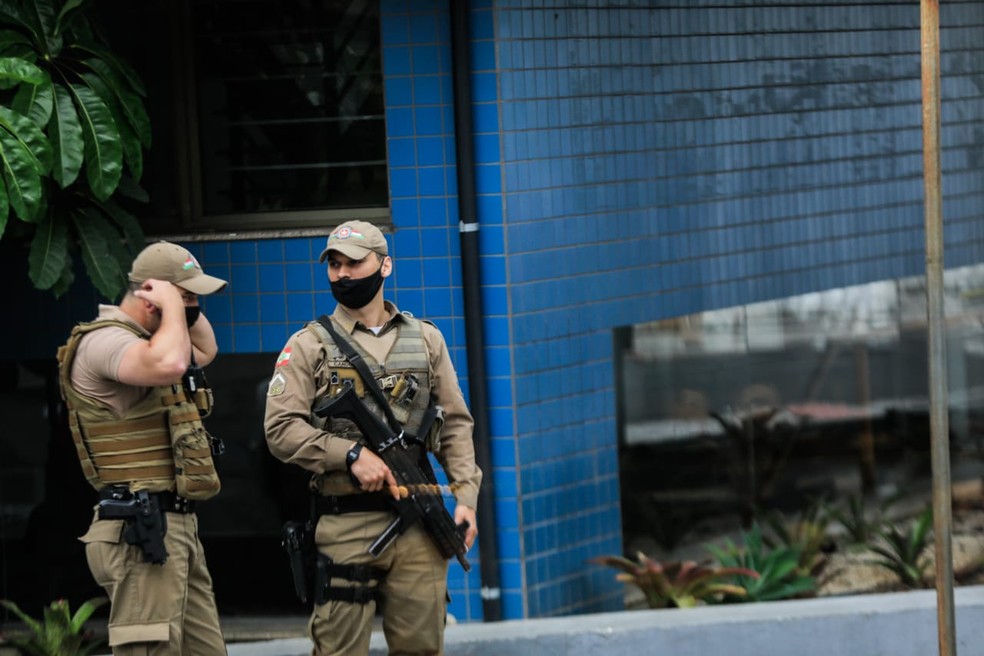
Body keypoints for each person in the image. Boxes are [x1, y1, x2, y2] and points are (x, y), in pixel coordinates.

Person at [264, 220, 481, 656]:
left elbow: (455, 424)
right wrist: (348, 454)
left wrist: (467, 500)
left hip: (420, 522)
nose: (342, 274)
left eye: (354, 263)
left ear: (385, 266)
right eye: (334, 265)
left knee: (422, 647)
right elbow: (280, 429)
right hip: (346, 521)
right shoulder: (309, 345)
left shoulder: (425, 339)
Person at [56, 241, 229, 655]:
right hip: (139, 529)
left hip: (174, 527)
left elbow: (205, 350)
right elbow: (170, 364)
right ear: (155, 296)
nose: (191, 309)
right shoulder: (105, 342)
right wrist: (171, 302)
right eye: (186, 298)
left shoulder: (153, 338)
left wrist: (182, 303)